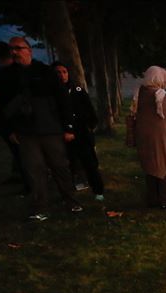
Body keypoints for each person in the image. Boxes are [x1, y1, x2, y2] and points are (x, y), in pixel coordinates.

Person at [0, 36, 81, 220]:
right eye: (12, 49)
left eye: (19, 48)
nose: (15, 52)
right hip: (25, 131)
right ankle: (40, 207)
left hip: (50, 128)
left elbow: (62, 100)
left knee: (60, 166)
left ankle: (71, 201)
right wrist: (9, 130)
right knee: (35, 170)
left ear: (29, 50)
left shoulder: (45, 72)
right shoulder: (7, 76)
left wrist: (68, 127)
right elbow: (2, 106)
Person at [52, 61, 104, 201]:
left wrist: (86, 128)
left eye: (64, 72)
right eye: (58, 72)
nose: (62, 75)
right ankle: (68, 194)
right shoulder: (51, 95)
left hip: (81, 134)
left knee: (90, 164)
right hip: (61, 136)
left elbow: (90, 113)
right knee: (65, 166)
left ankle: (98, 191)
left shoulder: (77, 91)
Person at [132, 66, 166, 209]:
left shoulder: (140, 93)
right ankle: (165, 201)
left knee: (150, 168)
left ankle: (152, 199)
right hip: (161, 137)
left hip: (144, 136)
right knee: (164, 167)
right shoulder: (162, 95)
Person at [0, 40, 28, 192]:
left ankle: (27, 180)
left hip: (8, 117)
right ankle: (22, 175)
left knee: (19, 149)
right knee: (23, 148)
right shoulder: (20, 70)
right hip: (23, 114)